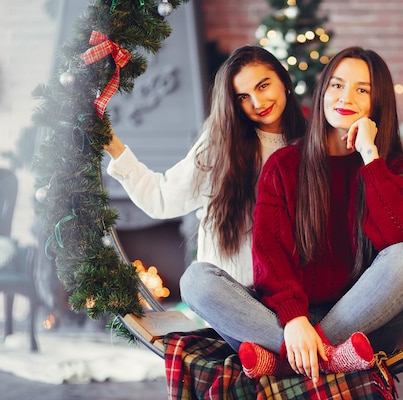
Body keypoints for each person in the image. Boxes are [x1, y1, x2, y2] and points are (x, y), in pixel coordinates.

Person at [183, 46, 403, 384]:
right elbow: (269, 255)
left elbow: (402, 232)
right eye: (337, 85)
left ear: (379, 102)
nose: (346, 97)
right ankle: (329, 358)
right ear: (323, 91)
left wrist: (371, 157)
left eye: (362, 90)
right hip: (285, 321)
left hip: (361, 323)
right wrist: (295, 320)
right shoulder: (284, 165)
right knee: (195, 281)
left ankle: (286, 362)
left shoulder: (392, 168)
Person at [104, 46, 306, 293]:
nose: (258, 103)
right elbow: (162, 199)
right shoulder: (220, 144)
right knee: (196, 282)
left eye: (263, 86)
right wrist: (114, 147)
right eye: (242, 97)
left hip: (289, 294)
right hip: (229, 292)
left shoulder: (310, 144)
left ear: (284, 80)